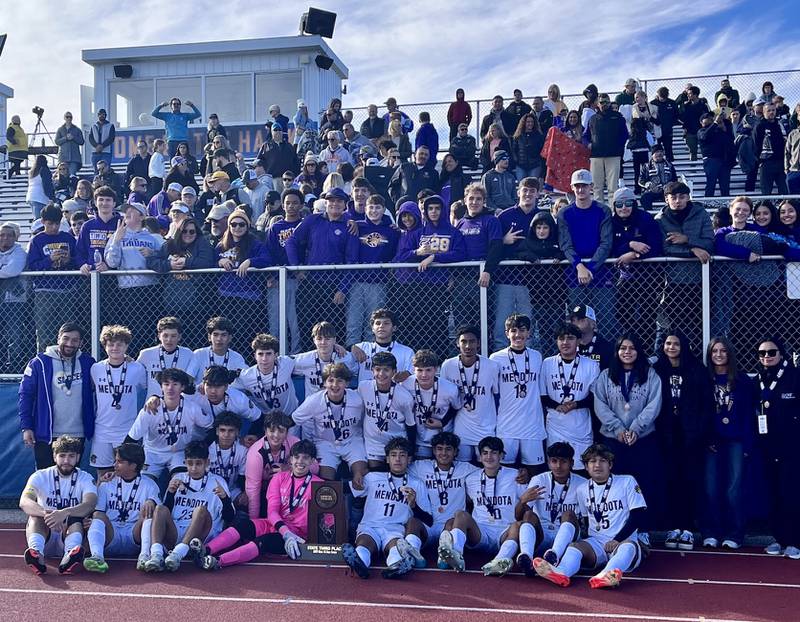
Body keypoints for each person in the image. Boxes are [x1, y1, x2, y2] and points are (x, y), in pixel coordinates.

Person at [534, 443, 648, 589]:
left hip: (622, 540)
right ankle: (561, 572)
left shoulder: (626, 481)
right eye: (592, 461)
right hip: (597, 542)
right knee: (574, 547)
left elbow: (638, 515)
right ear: (586, 467)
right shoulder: (582, 489)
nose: (597, 465)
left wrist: (617, 539)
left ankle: (606, 575)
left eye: (602, 461)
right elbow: (587, 520)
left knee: (628, 548)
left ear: (610, 464)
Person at [195, 438, 322, 569]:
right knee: (243, 525)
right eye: (296, 457)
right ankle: (205, 550)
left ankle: (218, 561)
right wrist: (285, 532)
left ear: (312, 461)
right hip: (275, 524)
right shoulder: (279, 478)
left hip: (296, 535)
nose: (300, 461)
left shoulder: (319, 486)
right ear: (290, 460)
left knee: (262, 542)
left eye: (305, 458)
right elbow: (272, 512)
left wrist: (297, 537)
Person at [592, 333, 662, 537]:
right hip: (614, 439)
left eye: (632, 348)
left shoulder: (650, 375)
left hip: (642, 439)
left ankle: (642, 530)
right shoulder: (606, 375)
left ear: (638, 352)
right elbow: (600, 405)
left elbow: (653, 405)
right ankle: (617, 528)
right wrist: (619, 429)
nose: (627, 352)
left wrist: (636, 429)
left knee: (643, 484)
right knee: (615, 482)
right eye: (623, 348)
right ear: (617, 351)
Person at [342, 437, 432, 579]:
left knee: (396, 549)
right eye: (393, 455)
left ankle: (396, 567)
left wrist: (414, 505)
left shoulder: (416, 484)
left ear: (409, 459)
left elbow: (428, 520)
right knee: (363, 545)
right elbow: (345, 488)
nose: (397, 459)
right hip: (370, 526)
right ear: (387, 459)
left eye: (402, 455)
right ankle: (360, 564)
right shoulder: (372, 477)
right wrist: (355, 477)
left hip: (396, 529)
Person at [437, 436, 525, 574]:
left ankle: (500, 560)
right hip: (480, 532)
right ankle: (457, 554)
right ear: (479, 456)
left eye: (494, 453)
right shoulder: (471, 478)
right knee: (460, 515)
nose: (489, 457)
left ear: (501, 455)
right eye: (485, 453)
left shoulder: (516, 476)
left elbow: (526, 505)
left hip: (505, 531)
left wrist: (527, 474)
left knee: (518, 526)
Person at [140, 441, 233, 572]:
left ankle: (178, 554)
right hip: (176, 531)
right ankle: (156, 554)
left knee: (200, 510)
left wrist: (225, 499)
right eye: (190, 463)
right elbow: (166, 511)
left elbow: (230, 517)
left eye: (198, 463)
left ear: (207, 463)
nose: (194, 468)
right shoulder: (178, 478)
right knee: (160, 509)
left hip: (200, 536)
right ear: (185, 462)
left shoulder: (217, 482)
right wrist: (171, 493)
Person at [393, 195, 465, 356]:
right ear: (425, 211)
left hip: (439, 286)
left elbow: (460, 254)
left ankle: (438, 359)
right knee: (416, 324)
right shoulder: (418, 233)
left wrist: (435, 256)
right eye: (430, 208)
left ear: (443, 210)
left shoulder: (453, 232)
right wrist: (417, 252)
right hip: (417, 286)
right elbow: (400, 256)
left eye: (437, 208)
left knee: (437, 324)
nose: (434, 211)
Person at [699, 336, 753, 550]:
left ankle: (735, 533)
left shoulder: (742, 381)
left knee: (733, 488)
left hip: (736, 440)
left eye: (723, 351)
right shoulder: (704, 379)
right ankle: (711, 532)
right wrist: (706, 437)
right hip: (711, 441)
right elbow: (700, 413)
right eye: (714, 351)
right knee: (711, 488)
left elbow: (750, 414)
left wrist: (748, 444)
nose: (719, 355)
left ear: (729, 353)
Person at [19, 322, 96, 469]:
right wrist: (26, 427)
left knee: (72, 479)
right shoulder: (39, 363)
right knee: (45, 478)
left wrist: (127, 360)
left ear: (81, 342)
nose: (69, 343)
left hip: (77, 433)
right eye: (66, 338)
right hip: (47, 433)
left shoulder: (88, 363)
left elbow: (109, 369)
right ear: (58, 338)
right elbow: (25, 395)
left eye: (75, 340)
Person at [19, 435, 97, 575]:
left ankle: (70, 556)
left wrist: (64, 513)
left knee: (76, 518)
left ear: (78, 457)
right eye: (62, 456)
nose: (66, 461)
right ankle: (37, 554)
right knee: (35, 516)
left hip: (68, 532)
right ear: (54, 457)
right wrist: (47, 514)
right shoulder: (40, 476)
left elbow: (90, 504)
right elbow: (24, 501)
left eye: (71, 456)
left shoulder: (85, 477)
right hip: (46, 532)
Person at [285, 187, 352, 344]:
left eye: (339, 201)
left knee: (333, 330)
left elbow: (352, 261)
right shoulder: (312, 220)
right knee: (308, 328)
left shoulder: (349, 225)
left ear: (344, 205)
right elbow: (291, 242)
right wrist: (296, 269)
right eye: (331, 200)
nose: (334, 204)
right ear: (326, 202)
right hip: (311, 284)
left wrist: (343, 289)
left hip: (334, 286)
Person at [754, 337, 800, 558]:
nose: (766, 357)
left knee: (791, 493)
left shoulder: (794, 377)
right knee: (772, 493)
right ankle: (778, 537)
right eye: (762, 353)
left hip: (791, 448)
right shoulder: (759, 379)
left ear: (781, 354)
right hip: (767, 447)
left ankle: (795, 540)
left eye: (771, 353)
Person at [83, 443, 160, 573]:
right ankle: (97, 557)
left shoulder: (149, 485)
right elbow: (97, 511)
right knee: (98, 516)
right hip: (111, 533)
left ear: (133, 465)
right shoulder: (107, 482)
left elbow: (159, 512)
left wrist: (152, 501)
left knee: (150, 513)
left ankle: (144, 556)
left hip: (135, 534)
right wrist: (99, 483)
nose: (114, 465)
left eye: (120, 462)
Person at [656, 181, 714, 348]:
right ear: (666, 199)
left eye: (682, 197)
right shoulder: (660, 220)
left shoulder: (701, 214)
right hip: (673, 282)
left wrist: (687, 240)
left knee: (699, 326)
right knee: (674, 327)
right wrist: (692, 251)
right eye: (673, 197)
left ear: (688, 197)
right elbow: (665, 248)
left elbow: (709, 243)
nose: (678, 201)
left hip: (701, 280)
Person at [514, 442, 586, 576]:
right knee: (529, 514)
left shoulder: (582, 483)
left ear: (571, 463)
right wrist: (522, 500)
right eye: (554, 461)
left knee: (568, 514)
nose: (558, 466)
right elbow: (518, 517)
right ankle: (527, 558)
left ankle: (554, 556)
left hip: (567, 537)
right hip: (542, 534)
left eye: (563, 462)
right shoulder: (539, 480)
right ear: (548, 462)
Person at [290, 362, 368, 486]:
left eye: (340, 381)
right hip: (325, 442)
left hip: (352, 440)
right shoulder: (314, 400)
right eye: (331, 381)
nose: (335, 385)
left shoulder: (357, 399)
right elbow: (293, 420)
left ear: (347, 383)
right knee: (325, 483)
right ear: (324, 383)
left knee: (362, 476)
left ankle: (358, 504)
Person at [558, 169, 615, 337]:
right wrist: (579, 267)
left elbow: (606, 243)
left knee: (605, 320)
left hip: (601, 272)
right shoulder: (564, 213)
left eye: (584, 186)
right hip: (575, 273)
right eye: (577, 186)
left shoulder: (603, 210)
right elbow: (565, 244)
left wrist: (589, 267)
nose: (581, 190)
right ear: (572, 188)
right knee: (577, 322)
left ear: (591, 187)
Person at [126, 368, 210, 479]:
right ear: (161, 386)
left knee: (181, 481)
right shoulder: (150, 409)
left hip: (179, 453)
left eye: (175, 384)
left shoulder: (192, 408)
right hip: (153, 453)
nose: (170, 388)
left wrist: (199, 447)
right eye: (166, 384)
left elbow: (211, 428)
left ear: (182, 387)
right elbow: (131, 439)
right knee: (144, 481)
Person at [538, 322, 601, 469]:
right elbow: (542, 395)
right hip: (555, 427)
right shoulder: (547, 363)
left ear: (579, 341)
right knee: (558, 470)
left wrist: (576, 404)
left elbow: (594, 397)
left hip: (581, 429)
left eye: (570, 338)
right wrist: (557, 406)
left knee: (581, 470)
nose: (565, 342)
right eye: (561, 338)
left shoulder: (591, 365)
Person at [103, 202, 164, 352]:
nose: (127, 213)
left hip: (150, 289)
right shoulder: (117, 235)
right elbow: (111, 261)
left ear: (142, 216)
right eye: (125, 212)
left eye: (132, 211)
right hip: (127, 290)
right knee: (132, 329)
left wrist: (153, 254)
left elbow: (164, 260)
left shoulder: (152, 238)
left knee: (149, 328)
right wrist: (116, 240)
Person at [146, 219, 215, 349]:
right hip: (171, 303)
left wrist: (186, 262)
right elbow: (152, 261)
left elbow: (207, 262)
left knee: (194, 343)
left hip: (197, 306)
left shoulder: (202, 243)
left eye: (192, 231)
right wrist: (169, 264)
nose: (188, 234)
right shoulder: (170, 245)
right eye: (184, 231)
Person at [89, 325, 147, 475]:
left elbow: (147, 386)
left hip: (126, 429)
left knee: (126, 472)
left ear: (126, 345)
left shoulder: (137, 368)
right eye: (111, 344)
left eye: (120, 344)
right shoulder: (96, 368)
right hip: (102, 429)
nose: (115, 348)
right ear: (104, 346)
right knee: (102, 474)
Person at [490, 314, 545, 470]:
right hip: (506, 427)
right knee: (506, 471)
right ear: (507, 333)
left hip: (532, 426)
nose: (518, 335)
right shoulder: (496, 358)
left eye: (522, 330)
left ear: (528, 333)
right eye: (513, 330)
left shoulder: (536, 357)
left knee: (535, 471)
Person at [215, 208, 272, 354]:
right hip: (225, 296)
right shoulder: (221, 244)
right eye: (233, 224)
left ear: (247, 226)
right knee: (228, 333)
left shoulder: (254, 243)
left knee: (245, 334)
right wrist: (220, 260)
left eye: (242, 224)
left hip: (249, 297)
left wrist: (250, 261)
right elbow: (210, 259)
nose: (237, 227)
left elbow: (267, 259)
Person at [440, 325, 499, 461]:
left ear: (478, 343)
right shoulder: (448, 366)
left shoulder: (491, 366)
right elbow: (445, 399)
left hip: (486, 428)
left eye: (472, 341)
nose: (468, 346)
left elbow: (497, 396)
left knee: (486, 466)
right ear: (457, 343)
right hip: (461, 430)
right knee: (462, 467)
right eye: (463, 341)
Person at [25, 206, 80, 350]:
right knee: (45, 332)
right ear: (43, 222)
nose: (54, 227)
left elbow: (78, 260)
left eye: (57, 223)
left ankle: (67, 362)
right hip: (45, 292)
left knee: (68, 331)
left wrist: (69, 261)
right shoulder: (36, 240)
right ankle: (44, 363)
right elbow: (32, 266)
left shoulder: (68, 238)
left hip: (68, 291)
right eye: (50, 224)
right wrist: (49, 259)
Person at [358, 352, 415, 470]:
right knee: (377, 478)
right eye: (377, 369)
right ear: (372, 370)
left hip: (396, 445)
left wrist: (410, 452)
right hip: (373, 445)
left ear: (394, 372)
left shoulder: (404, 396)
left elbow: (411, 426)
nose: (381, 374)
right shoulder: (363, 387)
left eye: (386, 370)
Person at [136, 316, 200, 398]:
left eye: (173, 336)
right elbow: (137, 378)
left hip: (178, 404)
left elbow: (189, 382)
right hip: (153, 405)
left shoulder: (188, 354)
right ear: (159, 336)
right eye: (165, 335)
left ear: (179, 337)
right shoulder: (146, 354)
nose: (169, 340)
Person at [584, 94, 628, 201]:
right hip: (596, 156)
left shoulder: (618, 117)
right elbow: (585, 136)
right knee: (596, 187)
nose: (603, 104)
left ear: (609, 102)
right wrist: (588, 144)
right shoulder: (593, 118)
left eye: (606, 102)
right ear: (597, 104)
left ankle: (613, 212)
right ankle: (599, 214)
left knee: (613, 187)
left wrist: (617, 147)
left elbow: (625, 134)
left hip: (613, 156)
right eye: (601, 102)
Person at [191, 316, 247, 382]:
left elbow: (247, 378)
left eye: (223, 335)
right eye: (215, 335)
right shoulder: (199, 354)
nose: (219, 339)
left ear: (230, 338)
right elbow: (188, 379)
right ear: (209, 337)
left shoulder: (237, 358)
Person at [755, 103, 789, 195]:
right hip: (766, 163)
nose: (771, 112)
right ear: (764, 112)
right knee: (766, 194)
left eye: (773, 110)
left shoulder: (780, 125)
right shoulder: (759, 126)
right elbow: (755, 145)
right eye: (769, 110)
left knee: (785, 191)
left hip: (781, 163)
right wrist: (760, 161)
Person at [697, 112, 733, 197]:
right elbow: (705, 136)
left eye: (711, 117)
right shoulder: (701, 131)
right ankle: (708, 203)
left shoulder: (719, 130)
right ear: (701, 122)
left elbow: (730, 141)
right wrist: (715, 124)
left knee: (725, 186)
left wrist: (724, 128)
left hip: (724, 160)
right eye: (707, 118)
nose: (710, 119)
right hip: (711, 160)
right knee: (711, 184)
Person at [569, 304, 614, 370]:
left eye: (580, 319)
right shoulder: (568, 345)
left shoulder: (606, 347)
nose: (575, 323)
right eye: (573, 320)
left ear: (593, 324)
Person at [678, 86, 709, 162]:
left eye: (690, 94)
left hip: (702, 131)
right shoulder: (686, 106)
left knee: (706, 151)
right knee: (692, 152)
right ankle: (693, 169)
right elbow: (681, 117)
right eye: (687, 94)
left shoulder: (703, 105)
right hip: (690, 132)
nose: (688, 95)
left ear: (695, 94)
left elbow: (708, 117)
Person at [512, 113, 545, 182]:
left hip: (535, 165)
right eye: (528, 122)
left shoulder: (539, 136)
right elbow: (514, 149)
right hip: (521, 165)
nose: (530, 124)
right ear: (524, 123)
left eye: (532, 122)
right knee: (522, 186)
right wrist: (516, 160)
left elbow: (542, 151)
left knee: (533, 185)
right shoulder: (518, 136)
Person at [651, 87, 678, 162]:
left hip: (668, 130)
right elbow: (650, 116)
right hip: (657, 131)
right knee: (656, 150)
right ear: (658, 95)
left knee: (668, 149)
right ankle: (655, 167)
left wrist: (671, 123)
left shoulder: (672, 103)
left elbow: (676, 115)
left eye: (664, 97)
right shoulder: (653, 103)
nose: (663, 99)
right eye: (661, 97)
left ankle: (670, 168)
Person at [55, 112, 85, 177]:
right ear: (64, 118)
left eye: (70, 117)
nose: (69, 118)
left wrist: (73, 138)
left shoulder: (77, 130)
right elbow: (57, 141)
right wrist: (65, 138)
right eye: (67, 117)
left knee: (72, 176)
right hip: (63, 157)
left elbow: (82, 141)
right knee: (62, 176)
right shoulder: (60, 129)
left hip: (74, 158)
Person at [26, 155, 55, 219]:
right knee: (40, 218)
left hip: (31, 196)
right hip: (40, 196)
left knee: (36, 217)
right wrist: (51, 197)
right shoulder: (44, 170)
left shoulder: (32, 172)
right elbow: (46, 184)